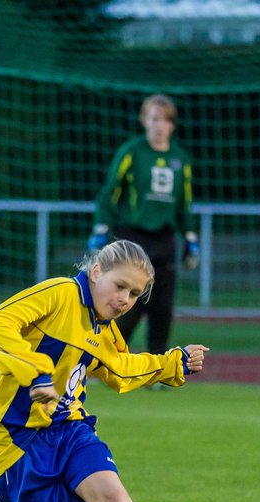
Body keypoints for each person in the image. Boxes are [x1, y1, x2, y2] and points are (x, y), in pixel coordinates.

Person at [0, 239, 209, 502]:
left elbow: (120, 369)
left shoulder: (106, 329)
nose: (124, 300)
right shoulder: (61, 294)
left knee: (114, 497)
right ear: (97, 271)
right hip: (15, 444)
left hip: (69, 430)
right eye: (120, 287)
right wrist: (34, 370)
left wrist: (174, 364)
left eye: (134, 294)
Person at [87, 94, 198, 359]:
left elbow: (184, 205)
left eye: (165, 120)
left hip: (164, 239)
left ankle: (157, 366)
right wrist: (100, 228)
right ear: (144, 121)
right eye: (154, 119)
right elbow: (110, 192)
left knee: (162, 305)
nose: (160, 125)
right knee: (126, 302)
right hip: (133, 237)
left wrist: (191, 240)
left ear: (172, 125)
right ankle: (105, 358)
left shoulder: (180, 159)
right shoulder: (132, 152)